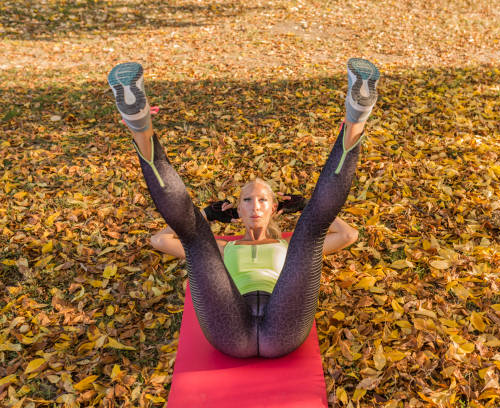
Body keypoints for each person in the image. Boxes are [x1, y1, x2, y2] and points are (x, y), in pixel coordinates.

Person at [107, 58, 380, 358]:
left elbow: (348, 235)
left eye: (263, 199)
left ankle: (356, 118)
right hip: (231, 327)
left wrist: (303, 208)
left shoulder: (289, 244)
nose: (255, 206)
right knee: (196, 237)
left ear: (275, 208)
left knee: (312, 229)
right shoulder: (224, 248)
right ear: (236, 211)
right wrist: (207, 216)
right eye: (247, 200)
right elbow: (159, 240)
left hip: (283, 323)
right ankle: (139, 123)